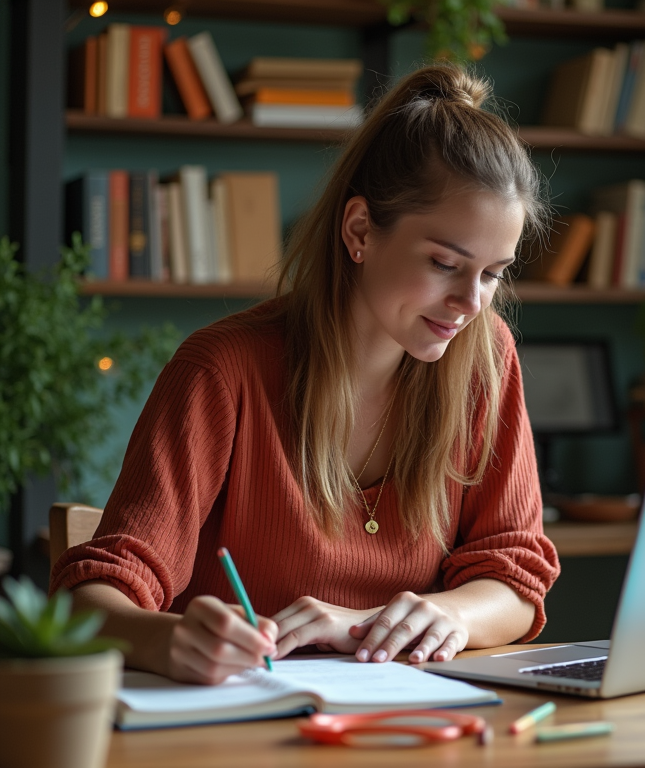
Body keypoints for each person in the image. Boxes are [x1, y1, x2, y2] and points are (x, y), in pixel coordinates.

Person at [51, 64, 561, 685]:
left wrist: (436, 615)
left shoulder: (485, 358)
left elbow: (514, 579)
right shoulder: (224, 369)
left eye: (492, 273)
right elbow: (94, 596)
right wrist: (167, 640)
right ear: (360, 231)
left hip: (420, 728)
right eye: (444, 263)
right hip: (242, 726)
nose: (471, 303)